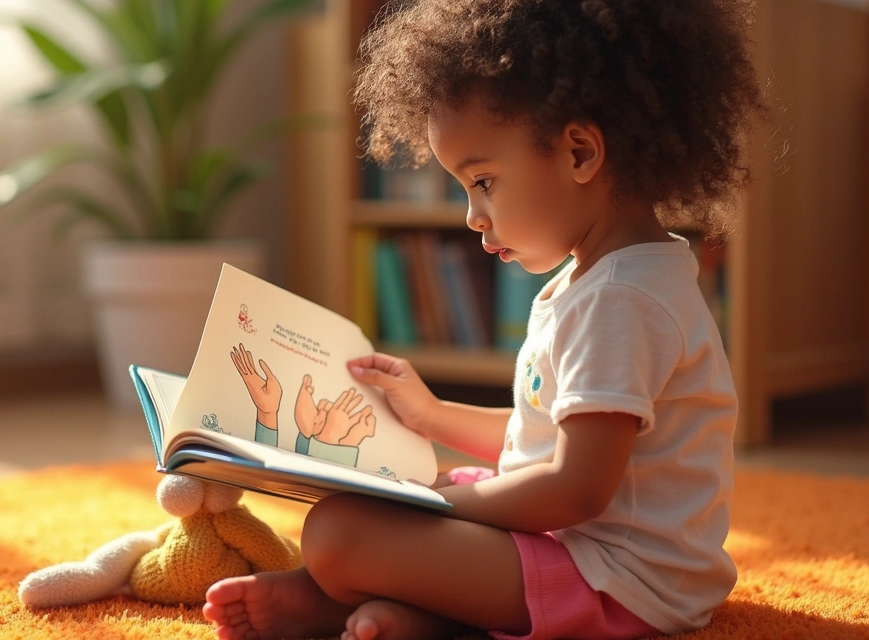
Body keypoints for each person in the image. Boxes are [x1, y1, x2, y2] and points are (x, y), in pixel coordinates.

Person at [203, 0, 765, 638]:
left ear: (581, 152)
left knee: (341, 529)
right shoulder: (612, 278)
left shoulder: (620, 302)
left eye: (484, 182)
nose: (473, 215)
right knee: (420, 486)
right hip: (588, 553)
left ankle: (331, 600)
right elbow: (551, 439)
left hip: (621, 587)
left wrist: (427, 507)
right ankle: (407, 617)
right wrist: (430, 415)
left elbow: (574, 490)